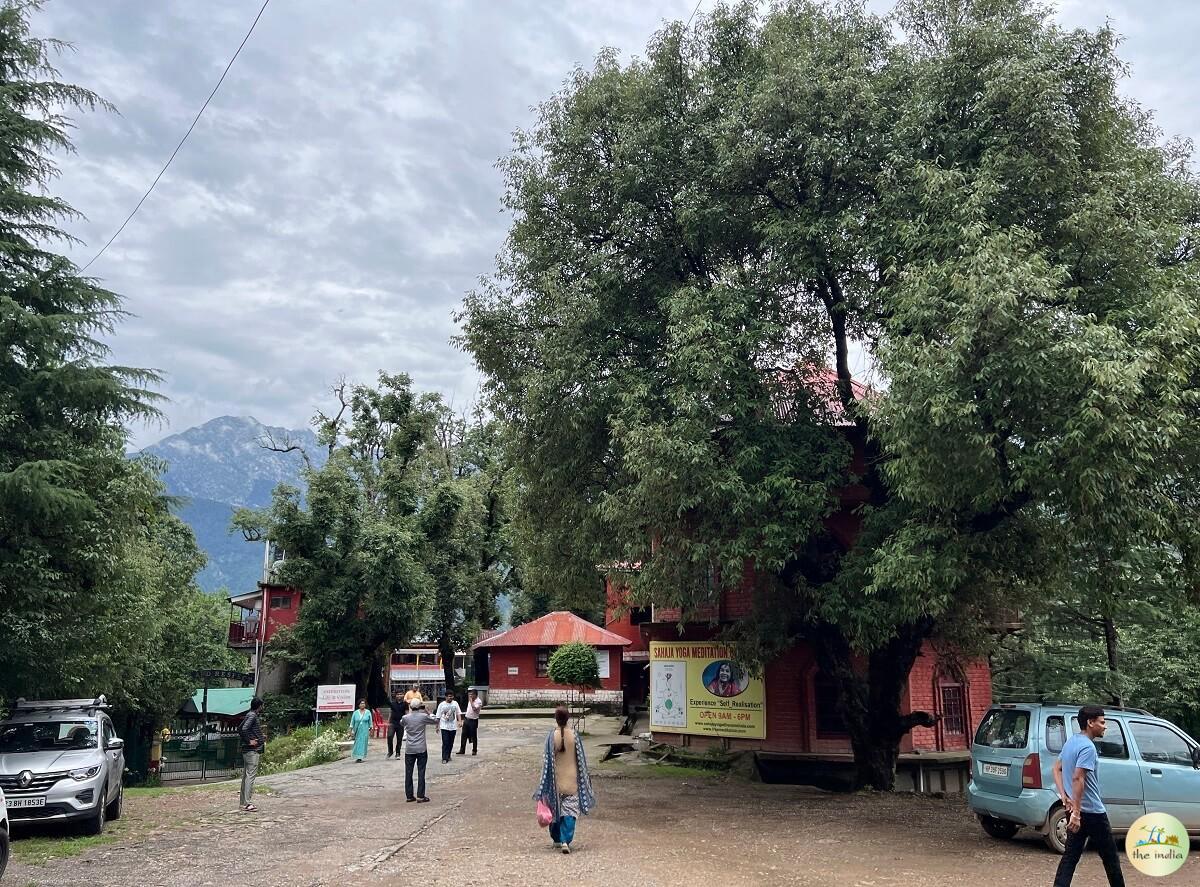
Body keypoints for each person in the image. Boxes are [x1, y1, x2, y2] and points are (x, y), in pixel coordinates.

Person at [1051, 705, 1126, 887]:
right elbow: (1078, 777)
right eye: (1102, 722)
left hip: (1074, 811)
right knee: (1111, 859)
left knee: (1069, 859)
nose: (1105, 726)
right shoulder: (1088, 747)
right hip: (1092, 813)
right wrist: (1077, 813)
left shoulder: (1072, 742)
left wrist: (1064, 797)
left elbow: (1056, 768)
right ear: (1090, 723)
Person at [533, 705, 595, 854]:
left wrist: (542, 782)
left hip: (555, 782)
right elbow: (581, 761)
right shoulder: (574, 736)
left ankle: (556, 839)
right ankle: (565, 840)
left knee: (555, 810)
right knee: (570, 812)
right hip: (572, 781)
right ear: (568, 719)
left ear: (556, 718)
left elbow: (546, 761)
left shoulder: (551, 737)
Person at [401, 699, 438, 802]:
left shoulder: (405, 718)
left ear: (411, 707)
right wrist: (428, 712)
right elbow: (435, 720)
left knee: (408, 772)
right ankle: (420, 795)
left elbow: (401, 723)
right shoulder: (423, 717)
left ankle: (409, 796)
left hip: (409, 748)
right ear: (420, 707)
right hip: (421, 747)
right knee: (421, 771)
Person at [238, 697, 266, 812]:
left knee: (246, 776)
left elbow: (240, 728)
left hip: (247, 750)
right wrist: (250, 741)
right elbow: (244, 729)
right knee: (250, 776)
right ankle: (247, 803)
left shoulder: (249, 714)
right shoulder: (253, 716)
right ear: (259, 706)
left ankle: (243, 802)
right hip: (252, 751)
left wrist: (259, 737)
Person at [435, 690, 462, 764]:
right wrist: (437, 726)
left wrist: (459, 721)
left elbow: (458, 713)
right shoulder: (441, 705)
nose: (451, 698)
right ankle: (444, 757)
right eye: (449, 696)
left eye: (452, 696)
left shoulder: (455, 703)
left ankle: (448, 755)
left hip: (453, 726)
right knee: (445, 742)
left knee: (451, 742)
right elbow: (438, 716)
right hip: (444, 726)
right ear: (446, 697)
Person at [458, 688, 483, 756]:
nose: (470, 695)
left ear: (475, 695)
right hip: (467, 719)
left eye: (472, 694)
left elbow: (474, 709)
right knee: (464, 735)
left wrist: (471, 701)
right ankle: (462, 749)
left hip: (473, 720)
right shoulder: (471, 700)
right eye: (470, 694)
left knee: (473, 735)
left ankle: (474, 750)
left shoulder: (479, 701)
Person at [387, 690, 407, 759]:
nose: (399, 695)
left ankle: (398, 753)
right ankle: (390, 751)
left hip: (401, 723)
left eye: (400, 694)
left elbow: (407, 713)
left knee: (399, 739)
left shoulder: (405, 704)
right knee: (389, 736)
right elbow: (390, 712)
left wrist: (407, 723)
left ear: (403, 695)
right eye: (398, 694)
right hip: (392, 722)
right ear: (395, 696)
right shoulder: (393, 703)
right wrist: (388, 722)